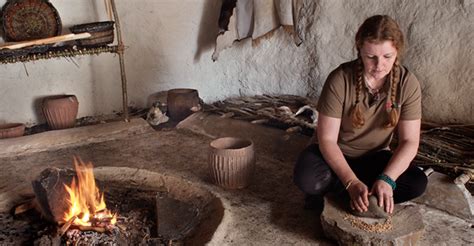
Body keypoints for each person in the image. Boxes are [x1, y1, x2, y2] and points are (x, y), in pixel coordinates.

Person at [293, 15, 427, 215]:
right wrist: (350, 181)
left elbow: (409, 141)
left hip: (375, 157)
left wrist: (387, 179)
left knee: (417, 183)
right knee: (307, 178)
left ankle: (352, 193)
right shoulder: (339, 79)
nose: (379, 65)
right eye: (371, 57)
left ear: (397, 52)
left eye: (387, 57)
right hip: (336, 155)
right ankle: (358, 191)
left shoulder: (407, 84)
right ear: (360, 51)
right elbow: (327, 140)